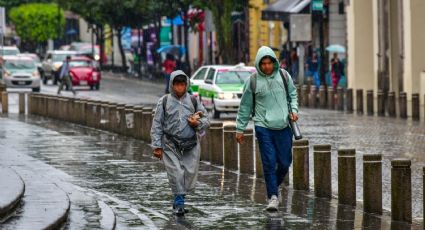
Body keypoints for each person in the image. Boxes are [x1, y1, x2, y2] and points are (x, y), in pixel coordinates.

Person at [235, 46, 299, 211]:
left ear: (274, 62)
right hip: (263, 126)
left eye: (269, 63)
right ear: (259, 64)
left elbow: (292, 94)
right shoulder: (253, 81)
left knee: (285, 162)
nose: (267, 67)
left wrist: (294, 110)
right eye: (263, 64)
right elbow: (245, 106)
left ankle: (273, 186)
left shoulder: (284, 76)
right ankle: (273, 196)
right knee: (269, 162)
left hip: (284, 126)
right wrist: (240, 129)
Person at [150, 70, 210, 216]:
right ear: (172, 85)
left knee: (188, 174)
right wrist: (157, 146)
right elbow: (157, 124)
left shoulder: (194, 101)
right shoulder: (164, 101)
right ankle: (179, 203)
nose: (179, 88)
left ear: (186, 85)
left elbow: (206, 120)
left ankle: (180, 198)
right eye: (176, 84)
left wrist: (197, 123)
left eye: (182, 84)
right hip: (170, 144)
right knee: (176, 173)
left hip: (190, 144)